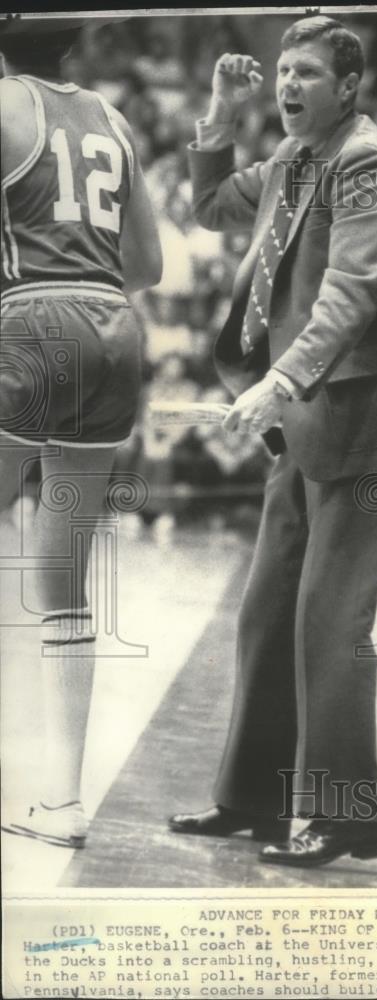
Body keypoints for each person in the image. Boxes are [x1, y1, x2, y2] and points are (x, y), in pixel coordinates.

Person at [168, 15, 377, 867]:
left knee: (330, 622)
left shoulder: (368, 164)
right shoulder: (293, 159)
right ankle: (251, 801)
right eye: (283, 72)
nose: (288, 87)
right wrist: (218, 116)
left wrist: (278, 381)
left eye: (308, 74)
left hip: (373, 434)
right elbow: (211, 206)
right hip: (307, 429)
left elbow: (349, 294)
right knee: (266, 614)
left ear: (350, 86)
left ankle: (344, 818)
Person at [0, 15, 162, 848]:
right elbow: (149, 266)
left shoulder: (2, 104)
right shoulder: (116, 120)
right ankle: (62, 805)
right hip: (113, 330)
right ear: (71, 47)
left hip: (31, 326)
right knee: (62, 579)